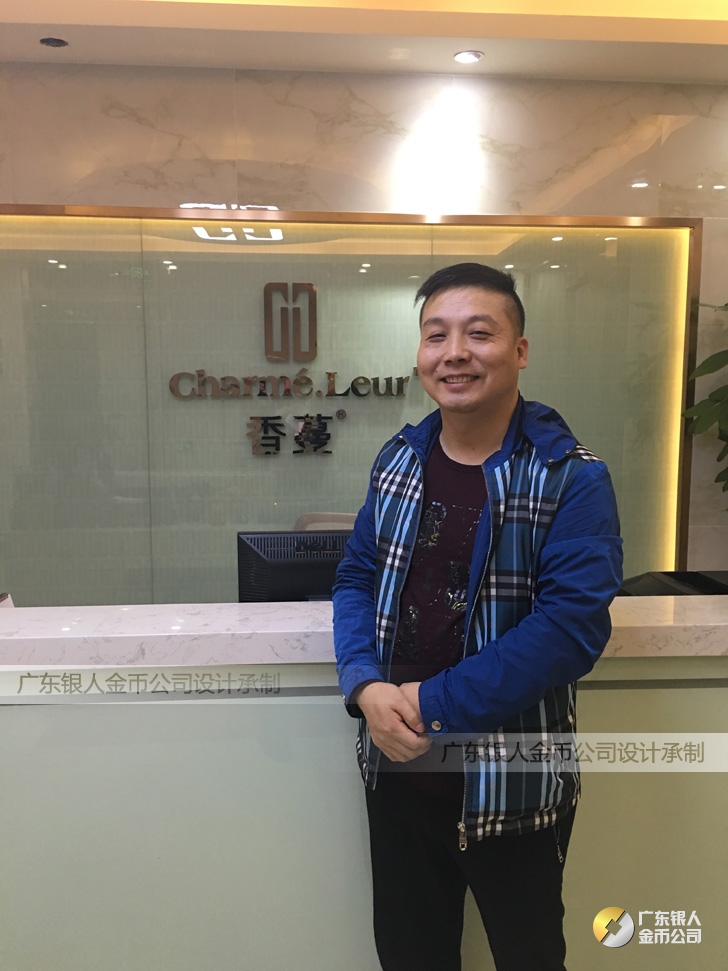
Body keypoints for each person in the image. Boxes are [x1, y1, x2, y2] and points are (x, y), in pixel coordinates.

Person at [332, 263, 623, 971]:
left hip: (513, 783)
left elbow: (570, 629)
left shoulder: (571, 476)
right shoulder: (399, 460)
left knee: (529, 957)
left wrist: (432, 703)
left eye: (479, 333)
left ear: (519, 351)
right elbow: (356, 577)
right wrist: (364, 683)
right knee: (410, 955)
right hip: (399, 772)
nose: (454, 352)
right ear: (420, 355)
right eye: (436, 335)